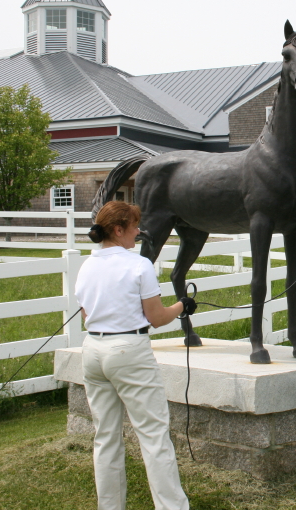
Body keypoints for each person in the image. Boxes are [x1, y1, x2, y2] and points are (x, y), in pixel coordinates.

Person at [75, 201, 197, 510]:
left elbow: (87, 313)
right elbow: (156, 317)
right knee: (154, 436)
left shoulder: (87, 265)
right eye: (134, 227)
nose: (138, 232)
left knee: (105, 437)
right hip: (129, 352)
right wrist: (183, 305)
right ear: (118, 230)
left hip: (93, 351)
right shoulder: (139, 264)